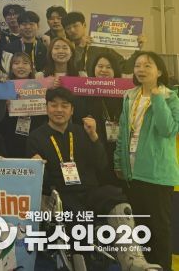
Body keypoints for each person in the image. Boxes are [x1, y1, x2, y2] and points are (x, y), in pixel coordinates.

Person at [28, 87, 158, 271]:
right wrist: (36, 166)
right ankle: (81, 265)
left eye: (64, 105)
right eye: (54, 105)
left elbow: (102, 165)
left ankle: (132, 261)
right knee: (77, 214)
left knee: (117, 200)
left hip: (88, 191)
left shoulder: (83, 132)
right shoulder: (36, 137)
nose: (59, 110)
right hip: (58, 195)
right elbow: (40, 182)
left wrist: (95, 137)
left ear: (72, 110)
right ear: (46, 108)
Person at [114, 52, 179, 270]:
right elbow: (123, 132)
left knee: (160, 229)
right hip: (132, 172)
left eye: (147, 65)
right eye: (138, 65)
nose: (141, 69)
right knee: (140, 229)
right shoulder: (129, 96)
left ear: (159, 71)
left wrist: (157, 98)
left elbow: (168, 129)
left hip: (157, 174)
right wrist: (119, 162)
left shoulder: (170, 97)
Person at [83, 50, 125, 183]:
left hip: (119, 147)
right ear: (93, 68)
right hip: (94, 145)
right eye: (100, 66)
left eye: (109, 67)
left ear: (115, 70)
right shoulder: (84, 91)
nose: (104, 70)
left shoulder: (124, 93)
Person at [0, 51, 47, 158]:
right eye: (16, 63)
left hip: (34, 134)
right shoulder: (5, 85)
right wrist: (3, 98)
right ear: (11, 68)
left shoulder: (40, 86)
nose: (21, 66)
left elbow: (44, 116)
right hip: (11, 136)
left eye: (25, 63)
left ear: (31, 68)